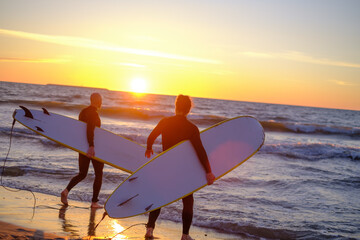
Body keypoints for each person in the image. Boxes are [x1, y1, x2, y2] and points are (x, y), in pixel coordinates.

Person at [144, 94, 216, 240]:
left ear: (175, 106)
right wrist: (208, 171)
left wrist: (149, 148)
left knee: (158, 198)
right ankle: (185, 235)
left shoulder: (165, 121)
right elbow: (200, 151)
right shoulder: (192, 128)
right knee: (188, 201)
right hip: (182, 171)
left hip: (166, 167)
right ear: (188, 109)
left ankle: (150, 230)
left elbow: (151, 137)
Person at [61, 93, 104, 208]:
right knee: (99, 174)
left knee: (82, 174)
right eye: (100, 100)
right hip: (93, 147)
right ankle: (94, 202)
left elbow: (80, 130)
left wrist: (86, 145)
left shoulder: (83, 112)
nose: (101, 102)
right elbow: (90, 129)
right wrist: (91, 146)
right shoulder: (94, 114)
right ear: (97, 101)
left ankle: (66, 191)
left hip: (82, 146)